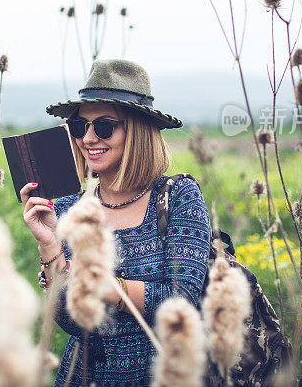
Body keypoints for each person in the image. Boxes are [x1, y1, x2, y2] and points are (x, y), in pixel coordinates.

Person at [20, 59, 211, 386]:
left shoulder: (177, 197)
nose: (89, 138)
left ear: (137, 130)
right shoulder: (69, 209)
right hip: (84, 377)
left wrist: (108, 288)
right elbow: (71, 321)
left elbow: (184, 299)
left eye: (104, 126)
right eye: (80, 127)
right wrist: (49, 242)